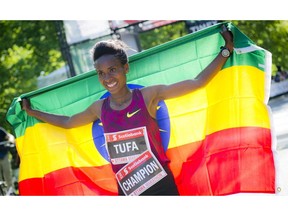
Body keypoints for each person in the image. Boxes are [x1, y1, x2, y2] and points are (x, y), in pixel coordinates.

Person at [22, 24, 234, 196]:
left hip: (161, 187)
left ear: (126, 68)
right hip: (127, 190)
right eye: (101, 73)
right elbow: (68, 122)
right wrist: (34, 113)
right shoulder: (99, 108)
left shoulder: (148, 96)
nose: (107, 78)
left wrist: (226, 51)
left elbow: (197, 82)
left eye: (112, 70)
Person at [0, 127, 16, 195]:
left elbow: (9, 136)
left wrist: (11, 139)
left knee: (7, 173)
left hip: (3, 154)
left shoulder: (0, 130)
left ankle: (11, 191)